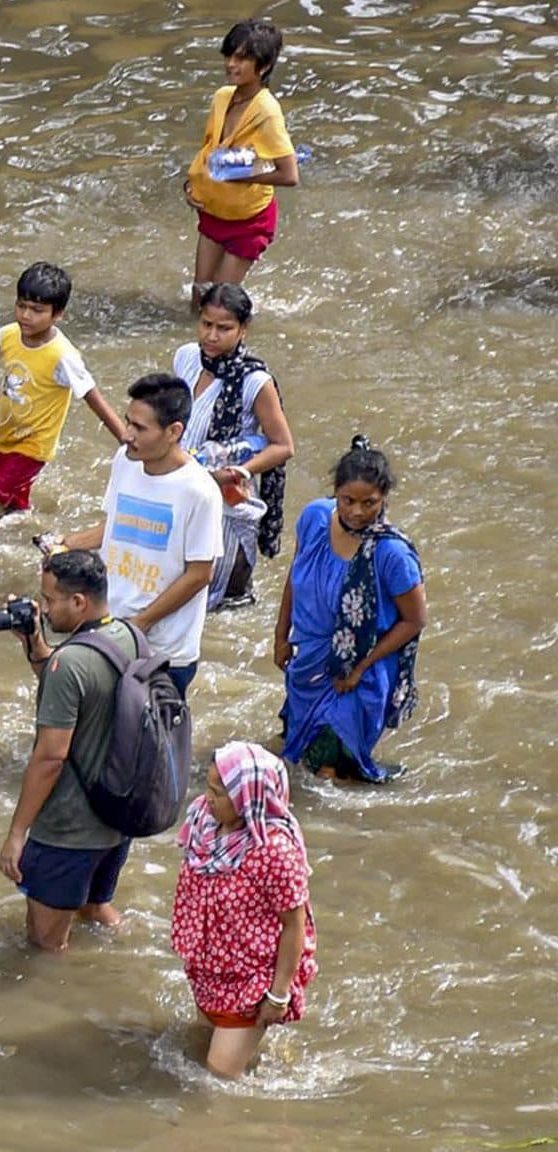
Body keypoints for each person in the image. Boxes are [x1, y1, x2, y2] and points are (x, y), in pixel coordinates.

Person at [44, 373, 222, 695]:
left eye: (140, 428)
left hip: (163, 652)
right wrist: (66, 544)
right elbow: (116, 525)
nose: (127, 435)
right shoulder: (125, 462)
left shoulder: (200, 492)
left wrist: (141, 623)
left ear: (174, 432)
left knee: (147, 739)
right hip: (108, 630)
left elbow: (200, 573)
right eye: (128, 422)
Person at [0, 550, 139, 952]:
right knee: (97, 911)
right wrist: (35, 644)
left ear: (78, 602)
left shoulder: (70, 664)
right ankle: (125, 965)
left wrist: (16, 833)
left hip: (69, 832)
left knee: (44, 946)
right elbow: (85, 688)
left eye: (49, 601)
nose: (43, 609)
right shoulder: (129, 637)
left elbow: (50, 758)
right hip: (117, 819)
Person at [275, 438, 426, 782]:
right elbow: (295, 577)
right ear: (335, 493)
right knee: (294, 759)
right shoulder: (314, 519)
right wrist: (280, 636)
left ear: (384, 498)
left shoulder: (391, 554)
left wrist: (359, 667)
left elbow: (415, 620)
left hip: (358, 674)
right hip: (309, 662)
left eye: (369, 503)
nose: (357, 512)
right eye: (348, 501)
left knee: (328, 773)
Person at [0, 263, 128, 521]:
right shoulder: (8, 335)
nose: (26, 315)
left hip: (33, 447)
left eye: (37, 310)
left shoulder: (63, 356)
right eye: (22, 306)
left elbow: (93, 397)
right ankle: (23, 532)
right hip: (8, 436)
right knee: (13, 507)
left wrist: (125, 439)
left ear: (58, 314)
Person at [172, 741, 316, 1078]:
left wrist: (277, 996)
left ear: (248, 797)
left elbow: (294, 926)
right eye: (208, 787)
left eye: (219, 793)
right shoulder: (204, 824)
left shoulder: (274, 851)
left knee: (216, 1078)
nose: (208, 798)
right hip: (209, 971)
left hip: (252, 980)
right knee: (196, 1056)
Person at [174, 282, 295, 607]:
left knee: (223, 597)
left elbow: (282, 446)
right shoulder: (186, 358)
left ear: (244, 329)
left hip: (228, 501)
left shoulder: (255, 382)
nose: (212, 336)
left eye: (224, 328)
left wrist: (238, 470)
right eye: (206, 325)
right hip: (183, 487)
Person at [182, 19, 298, 308]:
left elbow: (289, 174)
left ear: (265, 65)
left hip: (248, 220)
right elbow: (209, 148)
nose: (231, 64)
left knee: (219, 303)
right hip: (214, 210)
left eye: (243, 58)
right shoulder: (222, 97)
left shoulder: (267, 112)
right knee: (198, 296)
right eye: (229, 55)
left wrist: (243, 177)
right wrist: (193, 184)